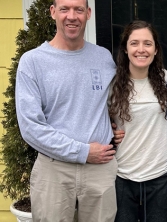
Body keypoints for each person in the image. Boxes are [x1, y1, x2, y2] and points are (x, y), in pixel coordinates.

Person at [15, 0, 118, 221]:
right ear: (53, 12)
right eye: (64, 9)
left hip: (100, 169)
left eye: (79, 9)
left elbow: (111, 103)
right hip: (54, 170)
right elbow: (31, 128)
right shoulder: (33, 62)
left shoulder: (103, 58)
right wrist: (83, 152)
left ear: (88, 13)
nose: (72, 16)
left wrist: (114, 127)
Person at [109, 20, 167, 222]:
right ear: (126, 49)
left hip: (159, 175)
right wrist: (107, 131)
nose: (141, 49)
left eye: (147, 43)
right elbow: (94, 119)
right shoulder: (112, 83)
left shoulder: (166, 79)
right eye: (134, 43)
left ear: (155, 50)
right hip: (123, 175)